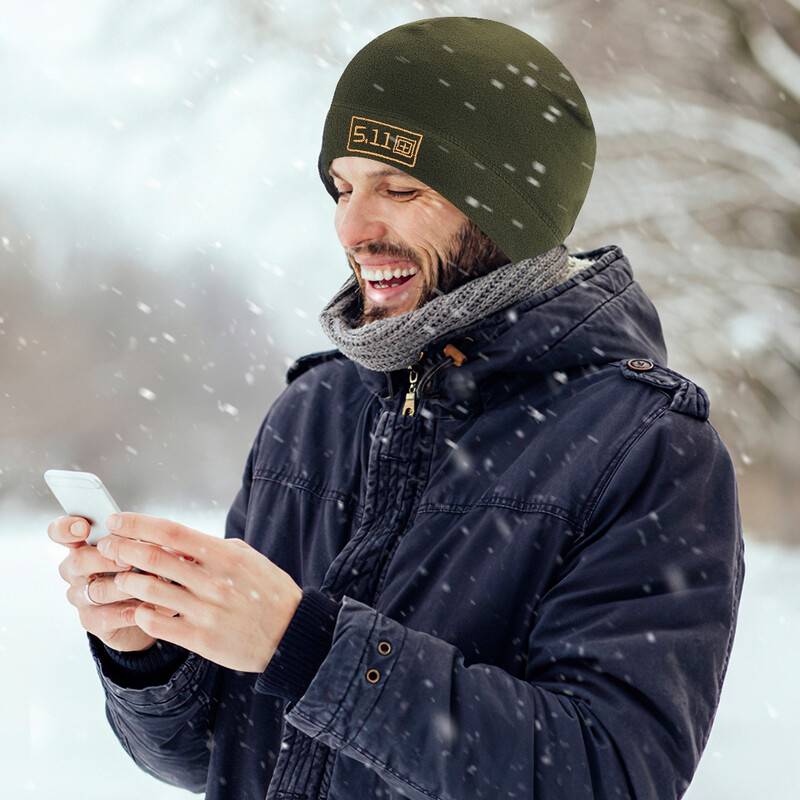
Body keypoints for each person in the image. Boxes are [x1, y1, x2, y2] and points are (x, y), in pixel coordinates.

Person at [48, 17, 743, 800]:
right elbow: (221, 756)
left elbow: (608, 775)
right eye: (343, 188)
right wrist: (147, 653)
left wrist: (306, 646)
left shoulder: (645, 448)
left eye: (400, 189)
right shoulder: (311, 411)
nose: (352, 228)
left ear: (509, 209)